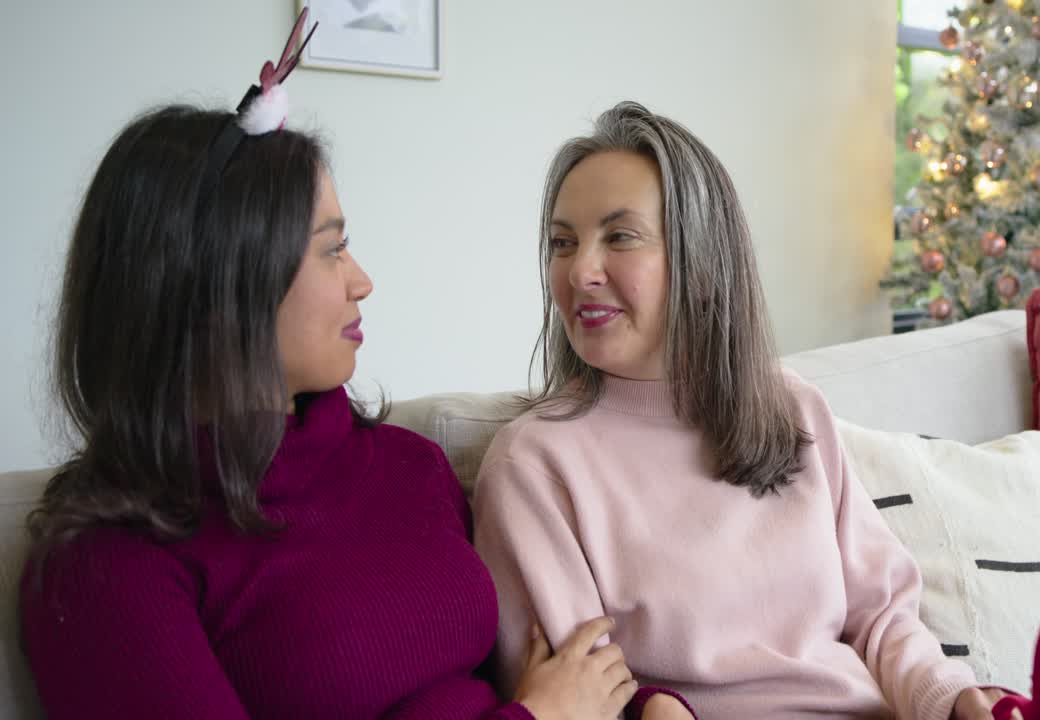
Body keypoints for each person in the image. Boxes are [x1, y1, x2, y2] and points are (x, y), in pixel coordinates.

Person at [20, 17, 662, 720]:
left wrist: (656, 704)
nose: (362, 281)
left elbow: (562, 661)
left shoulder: (409, 468)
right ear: (222, 283)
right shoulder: (105, 567)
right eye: (331, 250)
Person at [473, 101, 1040, 720]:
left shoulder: (791, 409)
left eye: (619, 238)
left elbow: (881, 615)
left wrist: (952, 702)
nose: (579, 270)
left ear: (704, 263)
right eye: (562, 243)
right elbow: (587, 695)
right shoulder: (535, 463)